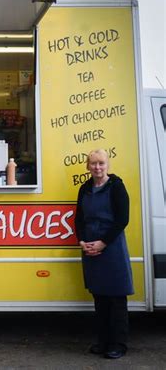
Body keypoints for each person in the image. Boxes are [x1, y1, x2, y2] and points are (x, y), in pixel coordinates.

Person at [75, 149, 133, 359]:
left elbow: (122, 219)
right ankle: (103, 341)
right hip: (90, 246)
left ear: (107, 165)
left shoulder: (116, 187)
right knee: (99, 297)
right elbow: (78, 218)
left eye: (101, 163)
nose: (97, 168)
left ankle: (118, 344)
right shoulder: (84, 188)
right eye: (93, 164)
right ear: (87, 166)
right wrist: (82, 241)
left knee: (116, 297)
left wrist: (103, 243)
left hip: (112, 246)